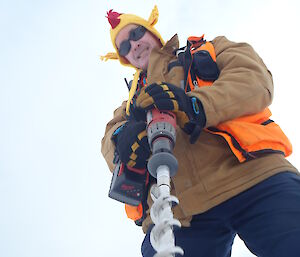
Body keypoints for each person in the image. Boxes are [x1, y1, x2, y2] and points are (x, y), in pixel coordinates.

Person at [101, 5, 300, 257]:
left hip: (255, 177)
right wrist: (124, 141)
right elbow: (109, 139)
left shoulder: (210, 51)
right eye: (124, 47)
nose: (134, 45)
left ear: (152, 32)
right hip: (178, 213)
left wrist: (194, 104)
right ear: (124, 58)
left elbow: (254, 80)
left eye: (136, 33)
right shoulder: (129, 107)